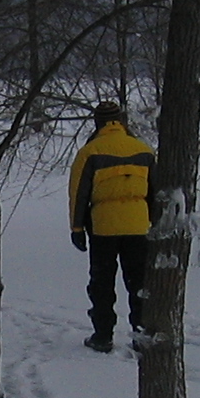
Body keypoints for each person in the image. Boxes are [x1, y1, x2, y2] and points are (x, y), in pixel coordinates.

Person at [68, 100, 155, 351]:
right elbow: (154, 191)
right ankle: (141, 335)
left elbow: (78, 193)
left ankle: (103, 336)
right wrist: (152, 222)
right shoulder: (144, 150)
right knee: (139, 283)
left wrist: (77, 228)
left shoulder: (90, 152)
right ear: (121, 121)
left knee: (102, 283)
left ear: (98, 123)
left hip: (103, 227)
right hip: (138, 226)